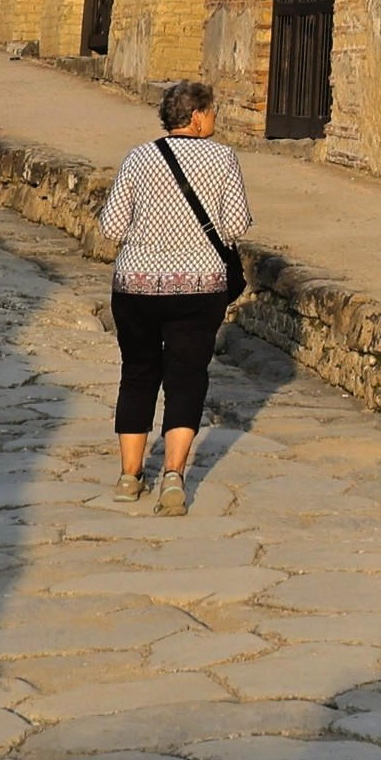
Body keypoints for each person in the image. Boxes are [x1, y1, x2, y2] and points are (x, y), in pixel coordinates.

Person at [100, 78, 249, 516]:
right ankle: (173, 478)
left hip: (136, 286)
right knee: (187, 376)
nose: (215, 120)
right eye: (213, 112)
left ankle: (129, 477)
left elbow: (110, 226)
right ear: (198, 116)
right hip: (199, 286)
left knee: (138, 372)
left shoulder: (138, 158)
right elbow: (236, 226)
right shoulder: (223, 159)